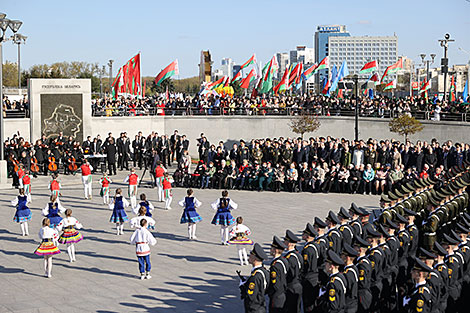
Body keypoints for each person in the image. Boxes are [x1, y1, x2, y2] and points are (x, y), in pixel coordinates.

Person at [239, 243, 269, 313]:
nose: (249, 257)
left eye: (251, 255)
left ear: (255, 259)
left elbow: (250, 296)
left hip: (254, 309)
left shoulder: (255, 276)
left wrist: (243, 287)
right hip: (261, 306)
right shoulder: (264, 271)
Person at [301, 223, 320, 313]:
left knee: (308, 305)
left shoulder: (308, 250)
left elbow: (306, 265)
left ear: (308, 236)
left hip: (309, 277)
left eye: (304, 233)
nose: (302, 234)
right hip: (315, 276)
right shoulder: (316, 245)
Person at [267, 236, 288, 313]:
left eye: (271, 248)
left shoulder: (275, 265)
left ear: (275, 250)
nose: (270, 250)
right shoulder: (283, 260)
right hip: (283, 293)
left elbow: (275, 284)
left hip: (276, 296)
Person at [283, 230, 303, 313]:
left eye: (285, 240)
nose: (284, 242)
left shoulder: (289, 258)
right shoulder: (298, 254)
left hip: (291, 286)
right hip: (298, 284)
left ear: (289, 243)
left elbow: (290, 274)